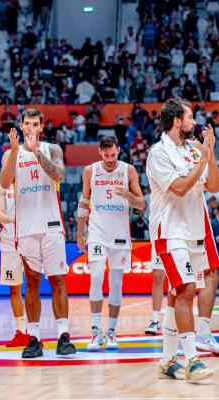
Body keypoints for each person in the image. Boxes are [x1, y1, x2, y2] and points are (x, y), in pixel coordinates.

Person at [147, 98, 218, 381]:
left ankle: (166, 361)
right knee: (187, 289)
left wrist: (209, 156)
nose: (194, 122)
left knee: (177, 293)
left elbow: (213, 186)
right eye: (190, 117)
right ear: (177, 121)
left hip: (194, 231)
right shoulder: (158, 153)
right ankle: (192, 360)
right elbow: (178, 188)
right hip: (169, 230)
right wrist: (202, 160)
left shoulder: (194, 149)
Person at [0, 109, 75, 358]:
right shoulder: (12, 154)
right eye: (27, 124)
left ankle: (64, 336)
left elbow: (59, 174)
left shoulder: (52, 149)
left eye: (35, 124)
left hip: (51, 225)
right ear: (21, 127)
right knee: (31, 282)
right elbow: (4, 182)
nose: (30, 127)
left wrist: (36, 152)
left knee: (57, 280)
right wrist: (15, 151)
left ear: (42, 127)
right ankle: (34, 338)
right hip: (27, 228)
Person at [76, 136, 145, 350]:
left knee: (116, 284)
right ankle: (96, 332)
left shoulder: (128, 170)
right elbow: (84, 201)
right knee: (96, 277)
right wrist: (80, 232)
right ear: (99, 152)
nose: (109, 158)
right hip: (97, 232)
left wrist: (129, 196)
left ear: (119, 150)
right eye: (106, 154)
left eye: (113, 154)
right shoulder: (90, 171)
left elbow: (141, 204)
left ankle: (112, 332)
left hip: (120, 235)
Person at [0, 181, 29, 347]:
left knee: (33, 285)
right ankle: (21, 331)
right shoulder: (1, 185)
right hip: (9, 242)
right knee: (14, 288)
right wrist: (17, 220)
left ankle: (33, 332)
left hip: (30, 238)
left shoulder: (29, 179)